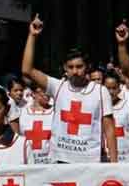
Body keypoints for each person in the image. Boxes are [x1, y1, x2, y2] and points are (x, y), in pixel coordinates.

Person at [22, 15, 117, 163]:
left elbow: (109, 128)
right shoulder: (58, 86)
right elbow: (27, 70)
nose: (75, 71)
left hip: (90, 160)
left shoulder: (100, 91)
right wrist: (32, 36)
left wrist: (114, 164)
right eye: (70, 67)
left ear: (87, 67)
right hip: (60, 160)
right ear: (65, 68)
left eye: (79, 66)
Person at [104, 73, 129, 162]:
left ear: (120, 88)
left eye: (114, 88)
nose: (111, 92)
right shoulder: (99, 106)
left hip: (127, 157)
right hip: (105, 157)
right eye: (107, 88)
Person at [19, 84, 54, 164]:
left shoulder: (55, 112)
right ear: (33, 94)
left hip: (50, 162)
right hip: (28, 160)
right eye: (43, 92)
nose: (47, 95)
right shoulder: (22, 112)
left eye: (48, 91)